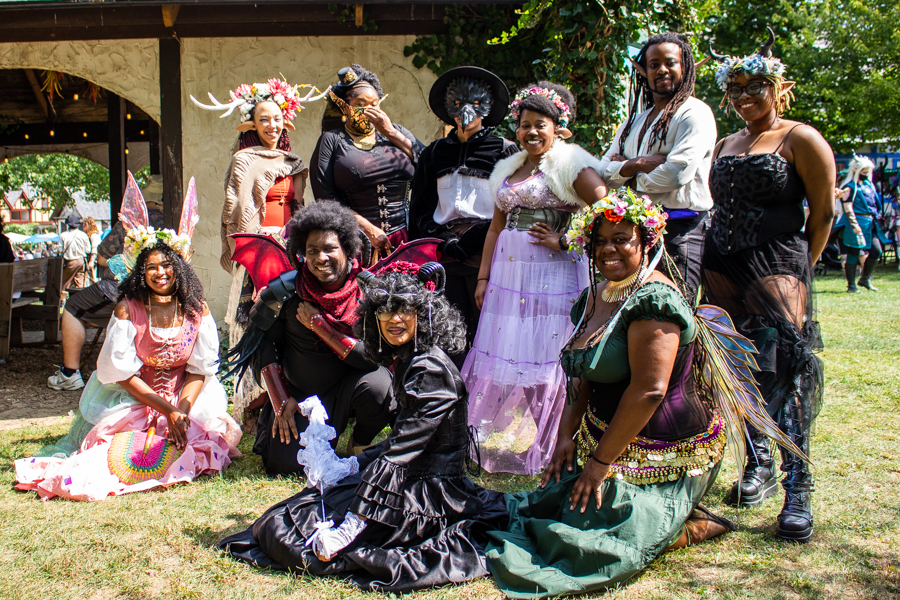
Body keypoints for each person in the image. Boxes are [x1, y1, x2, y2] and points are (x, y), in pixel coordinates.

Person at [485, 189, 804, 598]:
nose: (608, 250)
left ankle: (684, 522)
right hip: (608, 437)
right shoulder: (594, 295)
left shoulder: (656, 300)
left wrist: (599, 465)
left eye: (622, 239)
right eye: (600, 240)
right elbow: (584, 376)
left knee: (583, 542)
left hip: (665, 450)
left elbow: (650, 391)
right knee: (541, 508)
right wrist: (566, 435)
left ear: (646, 242)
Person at [220, 262, 509, 593]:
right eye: (385, 312)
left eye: (404, 311)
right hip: (412, 479)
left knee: (284, 531)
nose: (394, 320)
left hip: (430, 495)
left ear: (422, 315)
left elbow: (401, 454)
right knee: (289, 515)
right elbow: (402, 442)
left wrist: (351, 527)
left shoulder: (429, 369)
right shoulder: (411, 358)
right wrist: (352, 464)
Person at [15, 177, 241, 501]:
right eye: (151, 267)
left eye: (167, 265)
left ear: (179, 267)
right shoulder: (127, 310)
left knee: (201, 445)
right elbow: (120, 375)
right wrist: (165, 409)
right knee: (114, 461)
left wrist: (182, 411)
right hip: (136, 399)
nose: (161, 273)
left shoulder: (196, 310)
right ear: (140, 272)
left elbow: (200, 369)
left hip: (187, 398)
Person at [705, 29, 835, 542]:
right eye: (733, 90)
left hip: (778, 260)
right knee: (737, 365)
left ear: (777, 87)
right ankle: (757, 464)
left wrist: (802, 266)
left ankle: (798, 486)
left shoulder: (801, 138)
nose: (742, 99)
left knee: (784, 370)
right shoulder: (725, 143)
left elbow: (822, 214)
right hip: (722, 263)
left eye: (753, 88)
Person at [461, 82, 607, 475]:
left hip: (553, 275)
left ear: (558, 127)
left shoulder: (569, 164)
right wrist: (483, 277)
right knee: (516, 358)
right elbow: (495, 227)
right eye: (524, 125)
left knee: (550, 357)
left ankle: (557, 443)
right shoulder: (509, 168)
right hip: (510, 278)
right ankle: (532, 438)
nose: (531, 133)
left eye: (540, 124)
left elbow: (607, 208)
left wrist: (566, 240)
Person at [225, 201, 395, 476]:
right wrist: (281, 398)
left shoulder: (368, 292)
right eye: (312, 250)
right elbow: (261, 344)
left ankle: (359, 442)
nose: (321, 257)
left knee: (380, 386)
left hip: (349, 391)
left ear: (348, 250)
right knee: (286, 466)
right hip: (299, 397)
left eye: (330, 249)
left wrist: (322, 327)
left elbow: (374, 358)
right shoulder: (285, 291)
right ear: (301, 253)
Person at [192, 78, 320, 426]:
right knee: (254, 320)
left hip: (290, 248)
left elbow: (298, 206)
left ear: (286, 122)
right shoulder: (244, 160)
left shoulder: (293, 161)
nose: (272, 125)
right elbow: (238, 210)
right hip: (259, 250)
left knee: (290, 318)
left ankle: (287, 394)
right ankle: (252, 403)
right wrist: (263, 236)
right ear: (252, 124)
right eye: (264, 119)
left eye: (277, 118)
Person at [598, 32, 716, 304]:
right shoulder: (633, 122)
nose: (662, 69)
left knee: (671, 310)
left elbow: (676, 173)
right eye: (653, 64)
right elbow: (603, 170)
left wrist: (625, 174)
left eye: (670, 62)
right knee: (632, 309)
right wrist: (637, 164)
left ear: (684, 67)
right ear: (644, 72)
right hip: (634, 233)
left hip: (680, 231)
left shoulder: (694, 113)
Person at [408, 66, 518, 349]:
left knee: (487, 330)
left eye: (475, 104)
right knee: (448, 332)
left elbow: (513, 207)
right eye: (457, 104)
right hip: (444, 254)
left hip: (488, 253)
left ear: (487, 106)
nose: (466, 111)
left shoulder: (505, 150)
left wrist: (475, 238)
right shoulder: (434, 153)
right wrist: (444, 240)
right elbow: (420, 208)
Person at [48, 176, 166, 392]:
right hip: (158, 293)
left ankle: (69, 373)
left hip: (120, 291)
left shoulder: (130, 222)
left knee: (73, 306)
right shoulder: (169, 222)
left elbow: (102, 258)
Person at [311, 65, 424, 256]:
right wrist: (367, 229)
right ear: (344, 107)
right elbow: (325, 197)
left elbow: (429, 163)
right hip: (358, 242)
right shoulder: (331, 140)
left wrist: (389, 131)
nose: (369, 110)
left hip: (408, 237)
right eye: (361, 104)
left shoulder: (398, 133)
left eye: (375, 104)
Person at [835, 155, 888, 291]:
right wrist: (854, 225)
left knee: (877, 251)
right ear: (856, 171)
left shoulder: (869, 185)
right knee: (853, 252)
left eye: (868, 171)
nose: (866, 174)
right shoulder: (849, 187)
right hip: (855, 224)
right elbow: (847, 207)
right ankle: (851, 285)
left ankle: (864, 279)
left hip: (870, 223)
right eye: (863, 171)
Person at [59, 213, 92, 291]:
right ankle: (78, 300)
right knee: (79, 282)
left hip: (70, 262)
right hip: (81, 261)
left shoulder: (63, 235)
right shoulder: (83, 235)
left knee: (64, 282)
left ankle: (62, 299)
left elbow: (59, 250)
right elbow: (88, 250)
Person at [83, 216, 102, 284]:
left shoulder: (94, 235)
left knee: (93, 279)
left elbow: (95, 248)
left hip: (93, 260)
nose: (83, 226)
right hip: (89, 259)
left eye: (85, 224)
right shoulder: (88, 235)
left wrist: (91, 260)